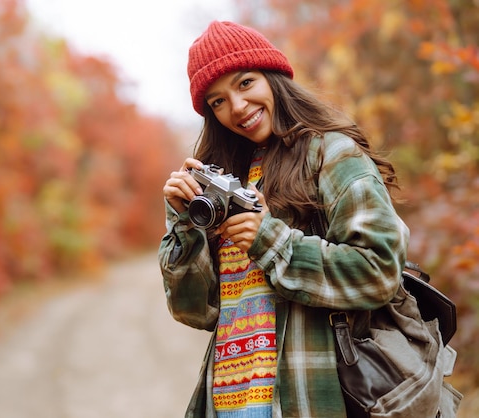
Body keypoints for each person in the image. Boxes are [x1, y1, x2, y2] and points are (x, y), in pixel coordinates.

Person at [158, 21, 410, 418]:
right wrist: (185, 223)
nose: (237, 107)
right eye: (217, 101)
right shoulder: (224, 179)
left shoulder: (331, 154)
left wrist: (270, 241)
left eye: (245, 84)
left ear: (274, 77)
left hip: (307, 397)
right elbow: (197, 311)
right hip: (229, 401)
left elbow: (379, 271)